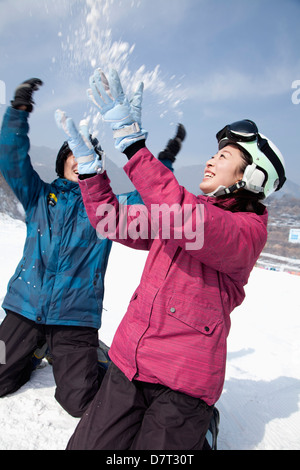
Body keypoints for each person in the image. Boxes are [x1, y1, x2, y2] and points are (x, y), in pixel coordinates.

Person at [66, 68, 286, 450]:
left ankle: (201, 431)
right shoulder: (183, 212)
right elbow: (112, 222)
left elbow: (187, 219)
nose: (210, 160)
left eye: (224, 155)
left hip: (183, 384)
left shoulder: (246, 232)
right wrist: (90, 173)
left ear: (252, 175)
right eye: (213, 152)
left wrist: (134, 147)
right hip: (129, 362)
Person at [0, 78, 183, 418]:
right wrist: (17, 112)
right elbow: (10, 159)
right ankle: (32, 349)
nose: (77, 158)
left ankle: (93, 356)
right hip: (24, 309)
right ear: (62, 161)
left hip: (75, 317)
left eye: (86, 155)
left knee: (80, 400)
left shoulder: (106, 208)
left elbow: (149, 200)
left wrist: (163, 159)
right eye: (71, 151)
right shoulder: (40, 197)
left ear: (96, 167)